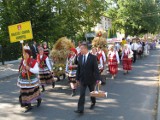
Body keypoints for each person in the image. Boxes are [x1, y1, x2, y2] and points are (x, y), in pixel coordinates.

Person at [75, 43, 101, 114]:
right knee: (82, 94)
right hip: (82, 79)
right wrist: (77, 78)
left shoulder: (93, 57)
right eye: (80, 49)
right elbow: (78, 69)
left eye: (81, 48)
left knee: (92, 92)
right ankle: (80, 109)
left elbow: (96, 69)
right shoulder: (79, 57)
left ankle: (93, 102)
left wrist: (98, 79)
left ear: (85, 49)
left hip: (91, 79)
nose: (80, 50)